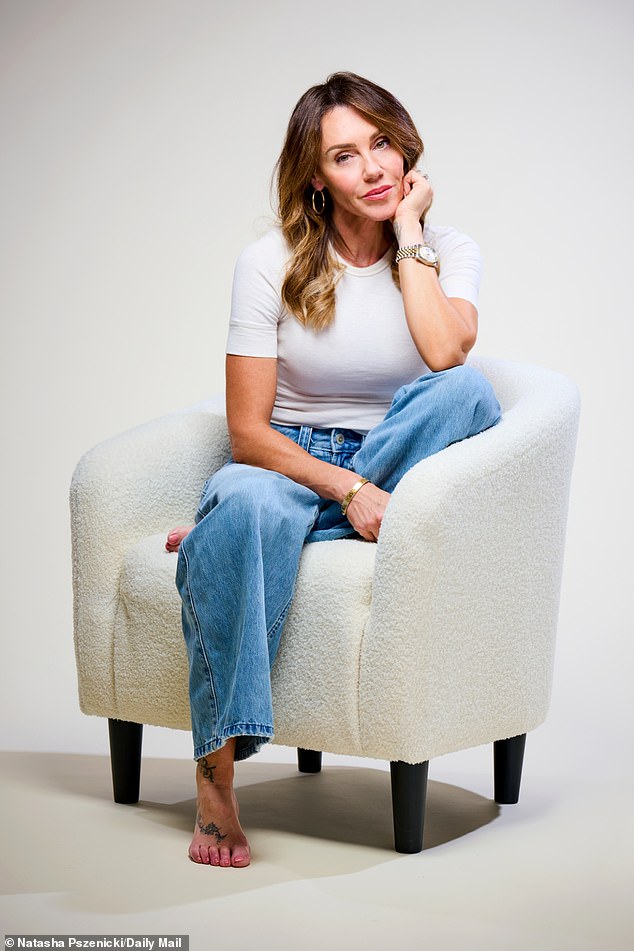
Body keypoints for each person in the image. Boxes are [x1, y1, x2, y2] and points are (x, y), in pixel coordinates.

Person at [166, 72, 501, 868]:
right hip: (293, 462)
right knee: (255, 495)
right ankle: (216, 780)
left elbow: (445, 354)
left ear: (406, 147)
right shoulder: (269, 262)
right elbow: (248, 432)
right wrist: (347, 488)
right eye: (345, 156)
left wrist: (409, 231)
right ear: (316, 177)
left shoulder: (449, 250)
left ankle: (233, 530)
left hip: (396, 456)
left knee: (468, 392)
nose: (374, 168)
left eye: (383, 144)